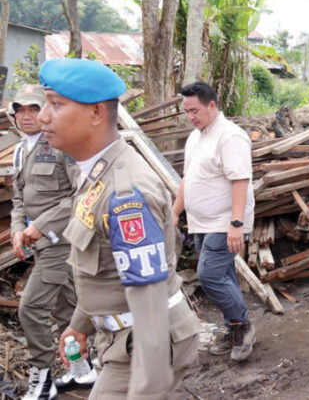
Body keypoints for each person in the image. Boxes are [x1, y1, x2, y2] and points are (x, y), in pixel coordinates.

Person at [37, 58, 200, 397]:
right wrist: (80, 325)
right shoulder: (96, 174)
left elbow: (150, 306)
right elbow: (103, 267)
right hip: (120, 338)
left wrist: (146, 389)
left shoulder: (126, 194)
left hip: (146, 344)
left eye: (55, 104)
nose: (42, 116)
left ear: (96, 113)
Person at [8, 85, 91, 400]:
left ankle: (41, 379)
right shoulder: (21, 149)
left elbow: (81, 194)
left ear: (45, 111)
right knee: (68, 309)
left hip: (62, 242)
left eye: (32, 108)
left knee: (30, 308)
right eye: (20, 110)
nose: (26, 116)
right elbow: (19, 198)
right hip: (39, 244)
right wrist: (18, 229)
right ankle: (82, 371)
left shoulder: (62, 144)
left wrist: (40, 226)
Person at [172, 82, 256, 362]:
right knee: (224, 275)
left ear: (212, 105)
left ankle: (242, 325)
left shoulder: (230, 136)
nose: (190, 117)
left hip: (224, 222)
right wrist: (175, 211)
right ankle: (235, 328)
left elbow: (240, 179)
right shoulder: (196, 137)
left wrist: (235, 223)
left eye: (194, 110)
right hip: (202, 223)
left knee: (209, 274)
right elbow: (187, 179)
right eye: (186, 112)